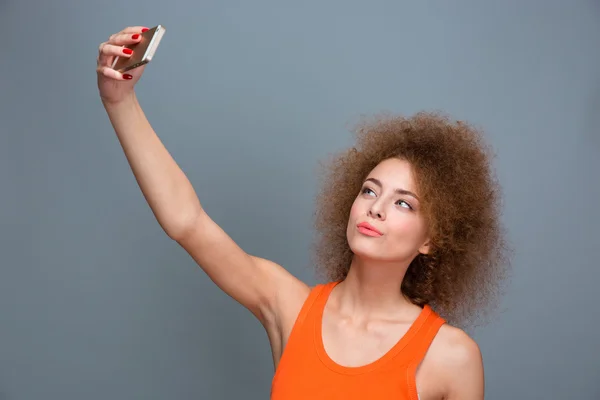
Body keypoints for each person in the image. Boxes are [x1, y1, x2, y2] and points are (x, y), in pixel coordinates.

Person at [97, 26, 509, 400]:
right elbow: (186, 221)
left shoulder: (452, 357)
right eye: (370, 190)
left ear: (432, 238)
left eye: (404, 203)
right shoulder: (288, 304)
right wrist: (120, 101)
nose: (376, 208)